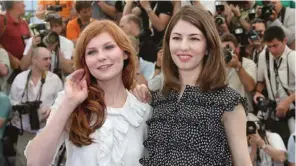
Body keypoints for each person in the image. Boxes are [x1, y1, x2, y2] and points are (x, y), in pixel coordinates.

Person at [132, 5, 252, 165]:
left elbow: (243, 162)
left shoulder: (228, 101)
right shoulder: (159, 97)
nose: (183, 46)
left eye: (194, 38)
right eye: (176, 38)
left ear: (208, 47)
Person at [25, 20, 152, 166]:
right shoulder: (69, 102)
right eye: (91, 52)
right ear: (84, 61)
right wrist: (69, 104)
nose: (101, 56)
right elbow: (34, 162)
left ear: (125, 53)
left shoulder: (142, 109)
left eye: (109, 47)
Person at [9, 47, 63, 166]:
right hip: (24, 131)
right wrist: (21, 108)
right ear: (34, 60)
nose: (49, 62)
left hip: (47, 131)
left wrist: (51, 110)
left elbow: (62, 104)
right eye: (45, 59)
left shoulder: (55, 80)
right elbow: (12, 101)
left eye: (50, 58)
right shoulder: (20, 79)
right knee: (22, 161)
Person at [254, 26, 295, 145]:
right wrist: (258, 92)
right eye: (269, 46)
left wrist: (288, 101)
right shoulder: (264, 55)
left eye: (275, 45)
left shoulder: (292, 57)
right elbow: (260, 81)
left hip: (292, 110)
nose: (272, 50)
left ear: (285, 41)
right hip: (273, 111)